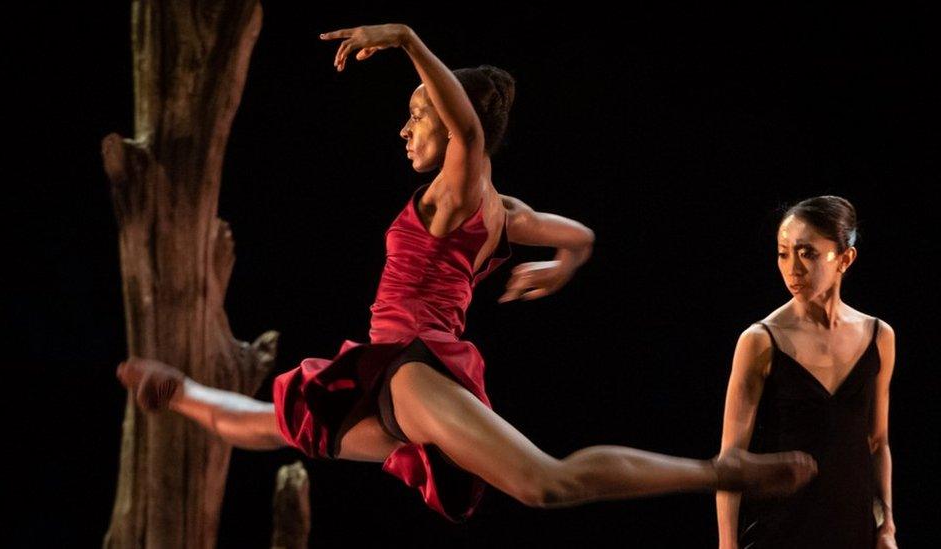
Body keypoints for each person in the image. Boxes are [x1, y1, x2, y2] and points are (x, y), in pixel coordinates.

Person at [117, 23, 817, 523]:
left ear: (454, 128)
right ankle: (182, 393)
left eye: (419, 115)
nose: (405, 128)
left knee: (547, 484)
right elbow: (581, 233)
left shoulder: (458, 189)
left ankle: (723, 470)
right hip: (390, 374)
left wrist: (409, 41)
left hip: (411, 369)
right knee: (278, 424)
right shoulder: (502, 211)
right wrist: (563, 262)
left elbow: (473, 138)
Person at [716, 196, 898, 548]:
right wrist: (727, 545)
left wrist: (886, 525)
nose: (792, 269)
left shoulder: (880, 337)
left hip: (853, 529)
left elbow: (877, 443)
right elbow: (730, 460)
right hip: (782, 531)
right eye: (783, 253)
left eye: (807, 253)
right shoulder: (761, 340)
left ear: (845, 259)